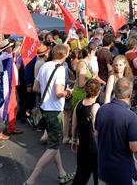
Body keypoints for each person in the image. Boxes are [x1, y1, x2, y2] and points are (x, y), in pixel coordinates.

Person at [25, 44, 74, 185]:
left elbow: (35, 88)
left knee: (54, 142)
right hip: (54, 111)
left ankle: (62, 174)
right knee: (53, 147)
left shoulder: (44, 66)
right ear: (64, 55)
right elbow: (59, 93)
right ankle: (31, 179)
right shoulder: (60, 69)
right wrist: (68, 92)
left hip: (45, 109)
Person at [96, 77, 137, 185]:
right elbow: (134, 147)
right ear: (130, 94)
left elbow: (96, 132)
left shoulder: (102, 109)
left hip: (103, 168)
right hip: (121, 171)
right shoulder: (130, 116)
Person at [71, 79, 101, 185]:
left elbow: (74, 125)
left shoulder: (79, 104)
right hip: (94, 147)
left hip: (82, 146)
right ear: (99, 91)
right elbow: (96, 130)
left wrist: (74, 140)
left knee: (81, 174)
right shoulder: (96, 106)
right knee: (98, 176)